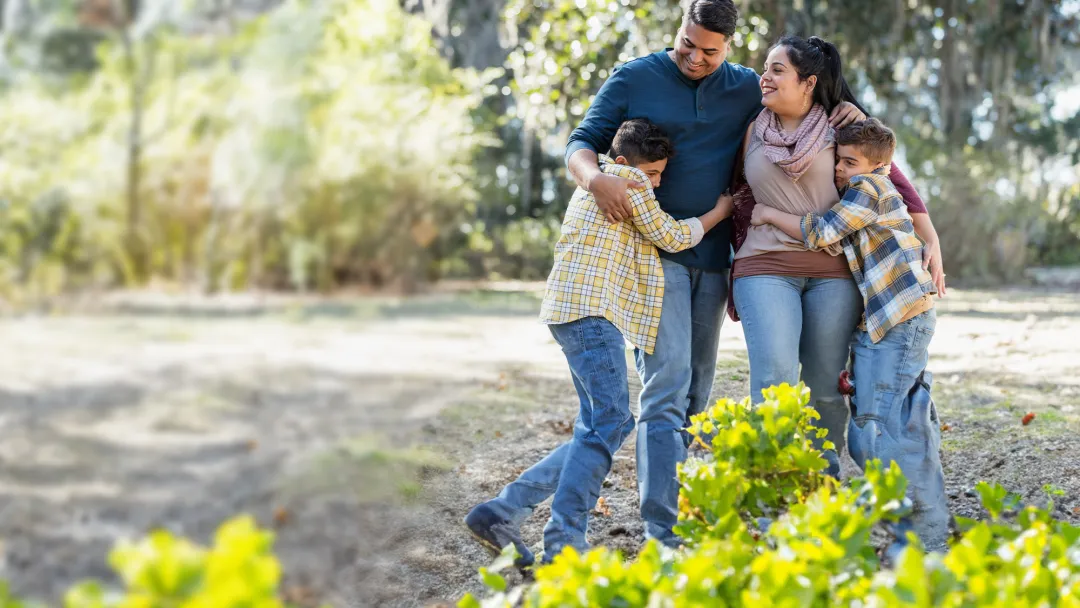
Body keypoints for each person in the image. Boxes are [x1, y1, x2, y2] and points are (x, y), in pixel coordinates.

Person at [563, 0, 865, 547]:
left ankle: (685, 508)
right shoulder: (634, 76)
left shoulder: (748, 86)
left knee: (696, 393)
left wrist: (844, 107)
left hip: (715, 259)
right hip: (654, 258)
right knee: (667, 385)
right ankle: (663, 530)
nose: (696, 57)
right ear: (679, 29)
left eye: (710, 51)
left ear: (728, 47)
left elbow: (808, 105)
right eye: (688, 43)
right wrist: (595, 180)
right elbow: (581, 142)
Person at [465, 119, 734, 566]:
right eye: (654, 173)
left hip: (570, 314)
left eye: (661, 176)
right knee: (610, 420)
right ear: (624, 162)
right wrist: (721, 211)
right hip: (592, 315)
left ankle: (503, 510)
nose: (657, 183)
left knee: (604, 423)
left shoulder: (599, 186)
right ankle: (562, 540)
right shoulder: (627, 184)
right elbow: (672, 236)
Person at [729, 35, 946, 475]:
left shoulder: (840, 127)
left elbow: (887, 176)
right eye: (765, 68)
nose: (764, 77)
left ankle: (823, 482)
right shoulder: (752, 127)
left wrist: (930, 235)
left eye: (776, 70)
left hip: (833, 272)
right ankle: (772, 487)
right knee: (773, 379)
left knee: (825, 387)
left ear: (808, 82)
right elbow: (729, 188)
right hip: (763, 265)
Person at [750, 117, 950, 551]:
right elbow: (843, 243)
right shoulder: (872, 191)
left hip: (900, 320)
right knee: (896, 421)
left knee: (877, 430)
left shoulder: (868, 188)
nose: (839, 169)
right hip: (893, 320)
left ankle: (924, 540)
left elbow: (823, 232)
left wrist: (767, 213)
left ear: (878, 166)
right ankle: (924, 532)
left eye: (849, 162)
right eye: (838, 160)